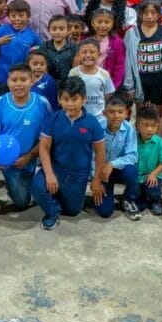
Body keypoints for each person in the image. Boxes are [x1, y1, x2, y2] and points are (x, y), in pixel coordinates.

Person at [0, 64, 51, 226]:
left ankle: (15, 181)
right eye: (14, 80)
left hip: (22, 160)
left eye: (23, 80)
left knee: (21, 202)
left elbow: (47, 137)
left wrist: (29, 157)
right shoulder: (0, 103)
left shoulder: (42, 104)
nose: (18, 84)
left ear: (32, 80)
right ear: (8, 82)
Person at [32, 76, 107, 230]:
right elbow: (44, 148)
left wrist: (96, 179)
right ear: (59, 99)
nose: (70, 104)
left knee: (73, 211)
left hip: (78, 174)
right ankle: (53, 212)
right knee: (36, 187)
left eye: (74, 99)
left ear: (84, 99)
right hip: (56, 169)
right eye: (66, 99)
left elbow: (100, 153)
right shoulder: (53, 119)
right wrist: (49, 174)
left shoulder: (92, 122)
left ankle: (59, 195)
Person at [93, 95, 140, 220]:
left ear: (126, 113)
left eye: (120, 112)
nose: (116, 116)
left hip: (118, 169)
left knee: (132, 171)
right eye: (111, 112)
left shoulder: (129, 129)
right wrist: (96, 178)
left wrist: (111, 164)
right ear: (104, 113)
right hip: (101, 172)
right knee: (105, 212)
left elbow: (132, 156)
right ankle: (105, 191)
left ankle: (129, 199)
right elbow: (91, 154)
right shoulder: (97, 128)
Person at [0, 0, 41, 95]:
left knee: (21, 100)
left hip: (23, 78)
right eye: (13, 16)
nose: (17, 19)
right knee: (4, 101)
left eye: (21, 16)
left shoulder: (31, 35)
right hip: (3, 76)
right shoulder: (2, 29)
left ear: (28, 17)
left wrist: (33, 52)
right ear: (8, 16)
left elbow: (42, 49)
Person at [69, 38, 115, 125]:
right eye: (84, 52)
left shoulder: (104, 74)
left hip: (99, 118)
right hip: (78, 117)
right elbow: (70, 94)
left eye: (92, 52)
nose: (88, 55)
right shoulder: (73, 73)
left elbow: (108, 96)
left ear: (98, 54)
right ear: (79, 54)